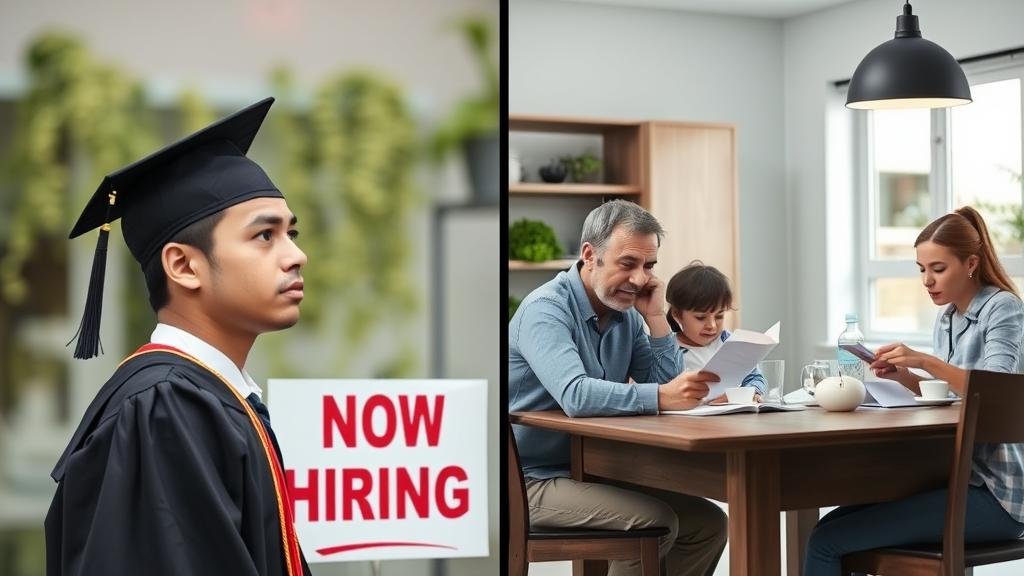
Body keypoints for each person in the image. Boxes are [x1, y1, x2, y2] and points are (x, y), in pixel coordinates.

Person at [45, 98, 313, 576]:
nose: (296, 256)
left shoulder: (207, 396)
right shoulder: (165, 409)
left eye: (291, 233)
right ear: (183, 266)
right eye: (265, 236)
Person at [508, 200, 728, 576]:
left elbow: (662, 384)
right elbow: (577, 395)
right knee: (654, 522)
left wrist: (657, 318)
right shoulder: (545, 310)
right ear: (590, 255)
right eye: (628, 263)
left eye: (649, 266)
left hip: (593, 467)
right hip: (531, 480)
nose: (641, 279)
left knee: (707, 525)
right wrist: (662, 397)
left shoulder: (625, 312)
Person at [804, 206, 1024, 575]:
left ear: (971, 262)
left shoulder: (1003, 308)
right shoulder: (949, 318)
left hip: (999, 496)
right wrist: (903, 376)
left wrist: (925, 361)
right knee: (826, 528)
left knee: (827, 543)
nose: (927, 280)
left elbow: (996, 388)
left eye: (938, 269)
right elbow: (954, 393)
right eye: (922, 269)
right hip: (957, 479)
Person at [665, 261, 766, 401]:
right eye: (700, 318)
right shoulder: (667, 350)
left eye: (719, 316)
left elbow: (755, 377)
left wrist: (753, 392)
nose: (712, 325)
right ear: (677, 314)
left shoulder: (730, 342)